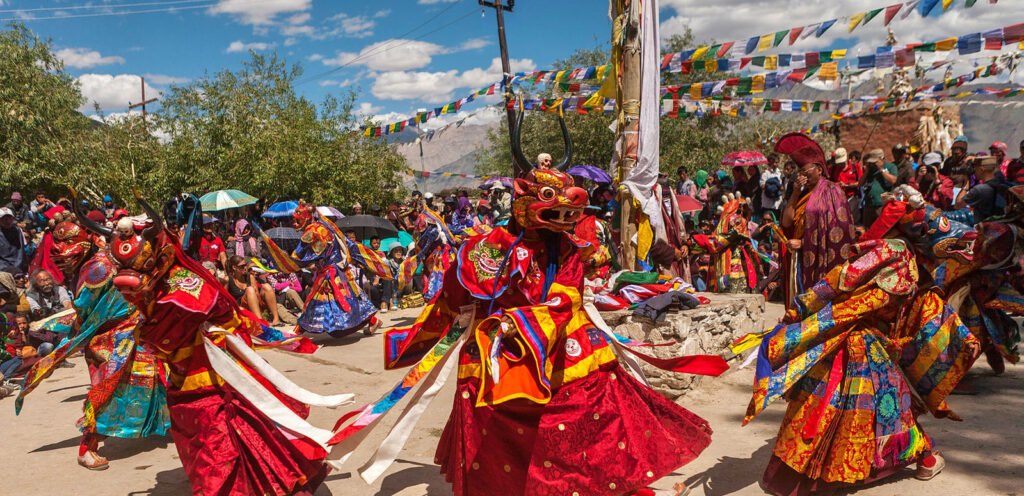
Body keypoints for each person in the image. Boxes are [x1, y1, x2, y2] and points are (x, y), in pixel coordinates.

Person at [331, 165, 728, 495]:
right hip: (496, 352)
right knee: (496, 432)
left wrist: (518, 322)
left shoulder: (571, 249)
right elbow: (455, 298)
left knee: (591, 416)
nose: (561, 221)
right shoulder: (483, 249)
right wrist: (419, 341)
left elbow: (565, 297)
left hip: (560, 347)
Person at [93, 194, 343, 495]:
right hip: (182, 378)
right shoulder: (152, 287)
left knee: (221, 440)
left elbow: (217, 312)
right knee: (202, 439)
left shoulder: (186, 282)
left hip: (213, 378)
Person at [15, 212, 169, 470]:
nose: (62, 254)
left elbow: (88, 308)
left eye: (67, 246)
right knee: (106, 392)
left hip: (129, 334)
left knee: (153, 381)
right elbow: (86, 310)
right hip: (111, 342)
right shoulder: (96, 265)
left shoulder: (99, 264)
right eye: (60, 247)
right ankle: (87, 447)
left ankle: (173, 424)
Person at [261, 201, 391, 337]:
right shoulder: (325, 226)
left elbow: (300, 256)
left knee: (316, 302)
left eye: (297, 220)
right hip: (336, 272)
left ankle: (298, 330)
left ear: (306, 217)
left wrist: (283, 260)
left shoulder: (313, 231)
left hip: (330, 274)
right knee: (350, 301)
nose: (294, 223)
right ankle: (374, 321)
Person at [778, 133, 857, 311]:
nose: (802, 177)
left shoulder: (832, 191)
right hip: (798, 259)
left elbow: (839, 232)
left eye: (806, 172)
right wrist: (796, 192)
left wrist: (804, 243)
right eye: (800, 173)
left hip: (819, 256)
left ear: (819, 169)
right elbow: (787, 223)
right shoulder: (802, 193)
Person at [226, 255, 281, 326]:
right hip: (240, 308)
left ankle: (276, 319)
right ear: (234, 267)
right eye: (242, 266)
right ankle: (260, 322)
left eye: (245, 265)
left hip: (254, 306)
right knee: (250, 289)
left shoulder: (250, 276)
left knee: (266, 286)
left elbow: (257, 295)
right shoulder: (228, 280)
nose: (245, 268)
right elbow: (224, 298)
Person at [860, 149, 897, 227]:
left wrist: (881, 169)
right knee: (867, 228)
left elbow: (893, 180)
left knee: (881, 227)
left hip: (882, 205)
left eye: (875, 162)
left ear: (882, 159)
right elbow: (860, 183)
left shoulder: (891, 167)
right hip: (869, 204)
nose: (873, 164)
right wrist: (866, 171)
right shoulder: (870, 169)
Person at [964, 155, 1005, 222]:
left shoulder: (979, 189)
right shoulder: (1001, 186)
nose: (974, 170)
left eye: (975, 167)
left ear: (982, 169)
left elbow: (958, 205)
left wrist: (965, 182)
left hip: (982, 227)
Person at [0, 208, 26, 274]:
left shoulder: (18, 231)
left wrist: (17, 268)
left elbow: (21, 252)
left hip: (18, 268)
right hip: (3, 270)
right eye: (5, 219)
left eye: (10, 218)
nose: (8, 221)